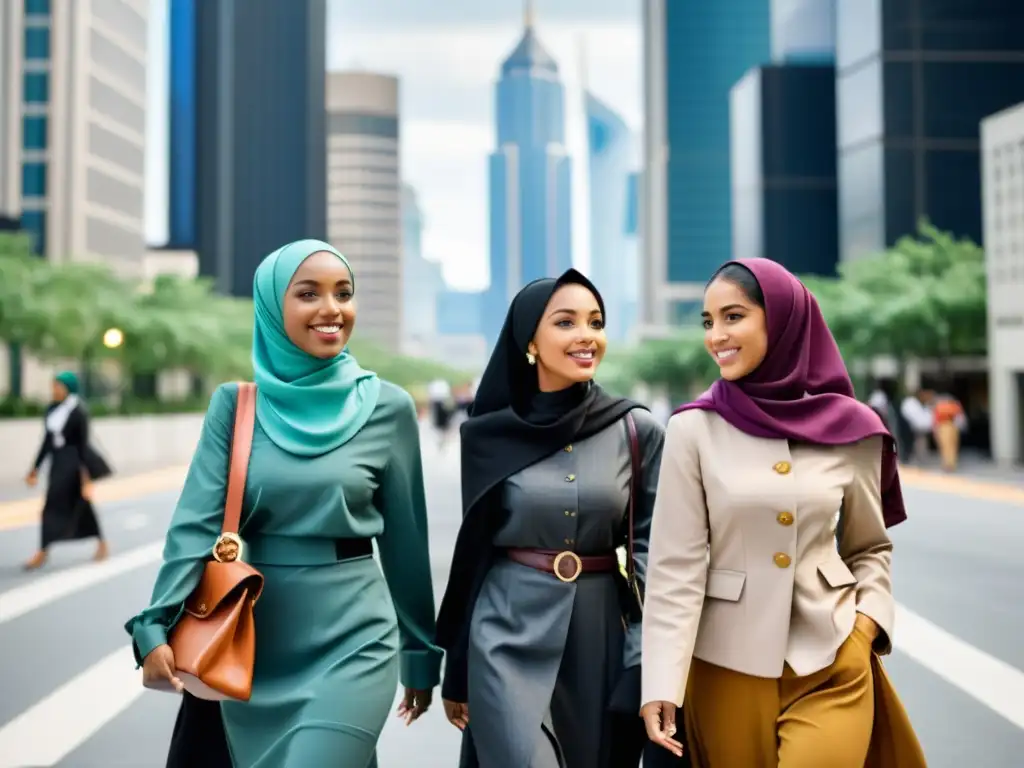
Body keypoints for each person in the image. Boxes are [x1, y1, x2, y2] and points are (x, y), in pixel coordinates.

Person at [124, 240, 442, 767]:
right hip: (254, 639)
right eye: (308, 293)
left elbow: (407, 546)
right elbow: (195, 525)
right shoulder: (236, 405)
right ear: (273, 307)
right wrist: (153, 623)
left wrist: (420, 656)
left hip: (355, 640)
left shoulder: (390, 408)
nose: (331, 308)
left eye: (344, 293)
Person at [640, 259, 924, 767]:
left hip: (833, 658)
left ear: (783, 319)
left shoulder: (854, 429)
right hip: (726, 665)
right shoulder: (692, 431)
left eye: (733, 316)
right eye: (708, 322)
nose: (716, 335)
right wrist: (660, 682)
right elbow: (674, 568)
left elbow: (870, 547)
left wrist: (866, 628)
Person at [435, 268, 679, 768]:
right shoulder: (486, 436)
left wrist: (647, 660)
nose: (586, 335)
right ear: (530, 342)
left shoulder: (638, 430)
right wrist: (456, 668)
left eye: (596, 322)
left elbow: (652, 551)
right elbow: (472, 559)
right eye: (566, 323)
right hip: (503, 630)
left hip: (599, 637)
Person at [23, 371, 112, 570]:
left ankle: (43, 551)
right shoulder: (52, 410)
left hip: (73, 464)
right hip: (57, 462)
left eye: (58, 387)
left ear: (69, 388)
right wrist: (34, 469)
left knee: (55, 506)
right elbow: (46, 442)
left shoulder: (78, 411)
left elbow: (82, 444)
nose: (54, 390)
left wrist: (85, 477)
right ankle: (101, 542)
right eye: (53, 386)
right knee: (80, 506)